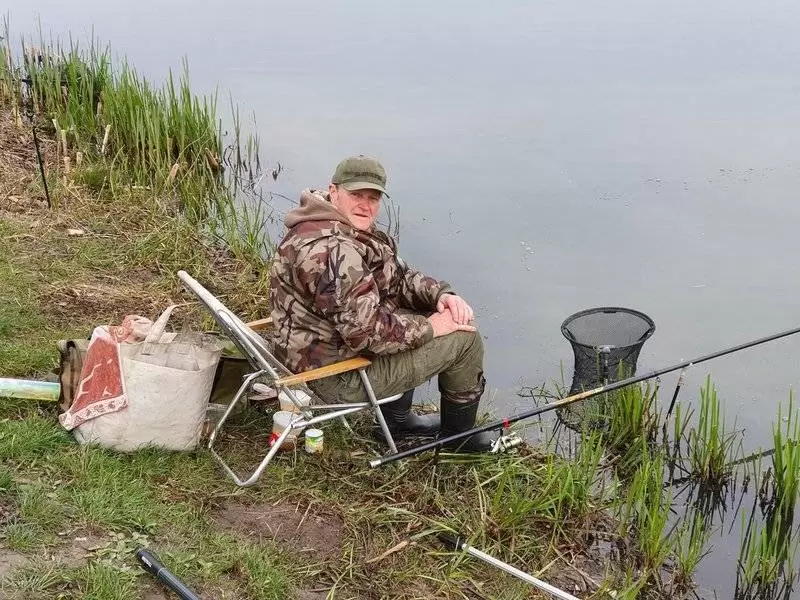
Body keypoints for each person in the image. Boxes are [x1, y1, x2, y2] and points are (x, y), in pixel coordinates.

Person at [269, 155, 495, 452]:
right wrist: (431, 328)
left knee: (424, 311)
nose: (365, 205)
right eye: (357, 195)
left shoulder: (327, 223)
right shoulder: (334, 251)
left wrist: (441, 295)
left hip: (318, 352)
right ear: (334, 191)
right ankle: (459, 440)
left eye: (373, 197)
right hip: (333, 378)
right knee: (465, 339)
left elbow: (396, 279)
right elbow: (365, 334)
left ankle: (397, 422)